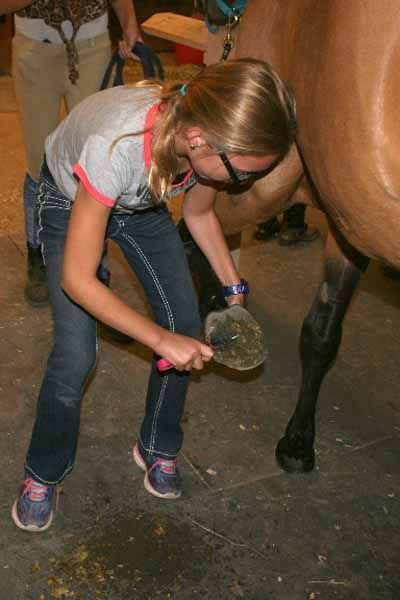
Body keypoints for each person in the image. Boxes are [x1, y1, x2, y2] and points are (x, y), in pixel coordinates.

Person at [11, 58, 296, 532]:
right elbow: (77, 281)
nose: (240, 185)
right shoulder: (114, 147)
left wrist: (235, 293)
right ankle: (43, 472)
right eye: (240, 174)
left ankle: (157, 444)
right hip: (71, 197)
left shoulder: (205, 153)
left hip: (142, 200)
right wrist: (159, 342)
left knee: (183, 322)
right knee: (75, 354)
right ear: (200, 139)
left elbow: (201, 218)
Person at [0, 0, 142, 306]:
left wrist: (130, 23)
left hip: (93, 47)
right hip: (35, 50)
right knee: (40, 161)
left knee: (96, 160)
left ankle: (95, 262)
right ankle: (38, 253)